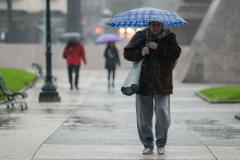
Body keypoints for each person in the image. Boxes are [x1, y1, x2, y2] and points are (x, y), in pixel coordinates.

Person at [123, 21, 181, 155]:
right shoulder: (141, 35)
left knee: (162, 113)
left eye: (158, 25)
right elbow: (127, 53)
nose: (155, 28)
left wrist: (158, 47)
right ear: (149, 25)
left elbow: (176, 52)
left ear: (162, 25)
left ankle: (161, 143)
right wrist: (141, 52)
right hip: (143, 82)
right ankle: (148, 144)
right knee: (144, 117)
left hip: (162, 82)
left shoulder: (169, 36)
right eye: (153, 25)